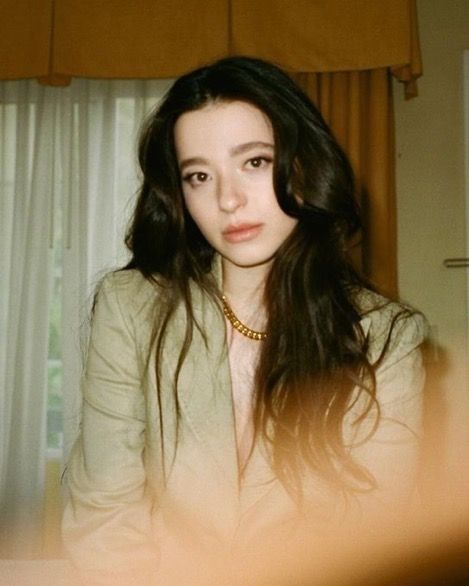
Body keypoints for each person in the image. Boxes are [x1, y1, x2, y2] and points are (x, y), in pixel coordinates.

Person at [62, 56, 427, 585]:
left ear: (303, 164)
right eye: (199, 175)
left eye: (254, 162)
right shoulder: (131, 307)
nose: (228, 200)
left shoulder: (384, 337)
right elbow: (104, 510)